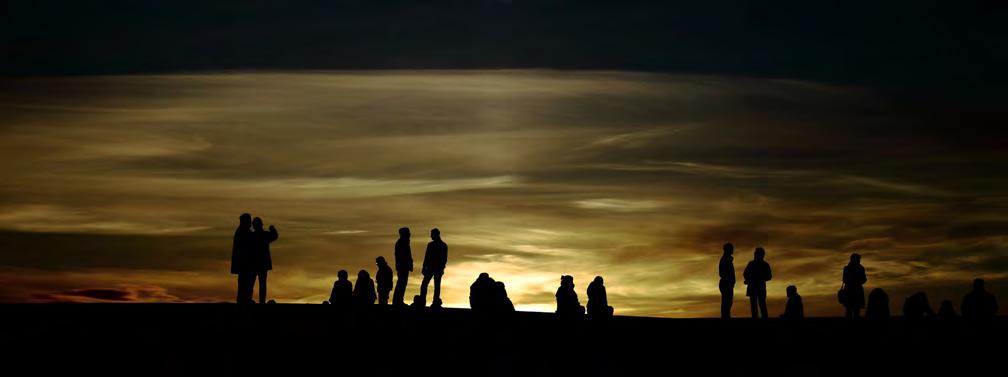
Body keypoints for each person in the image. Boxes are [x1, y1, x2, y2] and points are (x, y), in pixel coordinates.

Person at [250, 217, 279, 304]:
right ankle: (261, 301)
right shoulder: (264, 235)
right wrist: (272, 228)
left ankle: (254, 300)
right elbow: (275, 236)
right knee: (261, 284)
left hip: (255, 263)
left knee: (252, 283)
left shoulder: (252, 236)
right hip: (261, 264)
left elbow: (274, 236)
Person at [419, 228, 447, 308]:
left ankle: (433, 301)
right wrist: (424, 266)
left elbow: (444, 259)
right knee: (428, 284)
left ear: (436, 234)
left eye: (432, 234)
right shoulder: (437, 245)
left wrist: (441, 268)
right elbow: (427, 257)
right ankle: (424, 300)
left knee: (434, 285)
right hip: (432, 268)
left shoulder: (442, 245)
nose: (431, 236)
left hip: (435, 268)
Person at [231, 213, 254, 304]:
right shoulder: (243, 232)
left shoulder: (242, 231)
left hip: (243, 264)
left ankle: (244, 299)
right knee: (245, 282)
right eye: (249, 221)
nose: (251, 223)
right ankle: (244, 300)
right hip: (245, 263)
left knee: (244, 282)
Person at [742, 247, 772, 319]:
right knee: (755, 305)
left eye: (757, 253)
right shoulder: (752, 264)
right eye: (755, 253)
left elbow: (769, 276)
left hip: (758, 287)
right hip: (754, 287)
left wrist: (758, 278)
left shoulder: (764, 265)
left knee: (761, 305)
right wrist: (749, 278)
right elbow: (745, 274)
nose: (755, 255)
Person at [841, 253, 867, 318]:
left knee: (849, 311)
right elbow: (864, 280)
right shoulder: (861, 268)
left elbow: (844, 280)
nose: (859, 260)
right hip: (857, 291)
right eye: (858, 259)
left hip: (849, 291)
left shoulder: (847, 268)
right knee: (856, 311)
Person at [392, 227, 413, 306]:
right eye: (408, 233)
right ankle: (398, 301)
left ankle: (398, 300)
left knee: (402, 283)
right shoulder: (402, 243)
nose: (410, 234)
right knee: (401, 283)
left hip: (403, 266)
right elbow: (402, 256)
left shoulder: (404, 242)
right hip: (403, 266)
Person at [719, 243, 735, 319]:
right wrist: (729, 281)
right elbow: (722, 273)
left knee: (728, 303)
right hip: (726, 283)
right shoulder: (725, 260)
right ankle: (725, 318)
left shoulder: (727, 259)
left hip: (727, 283)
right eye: (731, 248)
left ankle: (726, 317)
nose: (733, 250)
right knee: (726, 303)